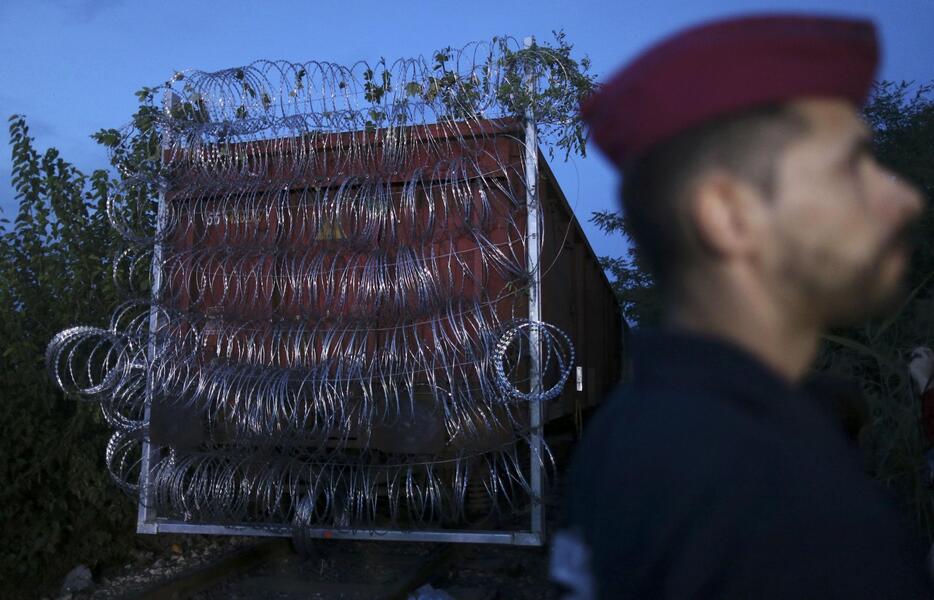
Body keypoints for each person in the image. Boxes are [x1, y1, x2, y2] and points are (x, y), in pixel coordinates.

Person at [550, 14, 932, 599]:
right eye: (852, 166)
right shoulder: (793, 499)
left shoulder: (628, 436)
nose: (903, 197)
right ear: (728, 216)